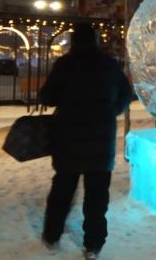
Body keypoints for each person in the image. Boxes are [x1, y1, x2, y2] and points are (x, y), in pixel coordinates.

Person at [40, 23, 133, 259]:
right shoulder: (109, 65)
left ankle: (52, 235)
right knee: (97, 195)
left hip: (68, 137)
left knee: (62, 188)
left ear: (73, 41)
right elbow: (125, 94)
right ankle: (93, 244)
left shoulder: (65, 65)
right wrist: (112, 110)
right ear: (96, 40)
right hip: (101, 139)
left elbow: (47, 97)